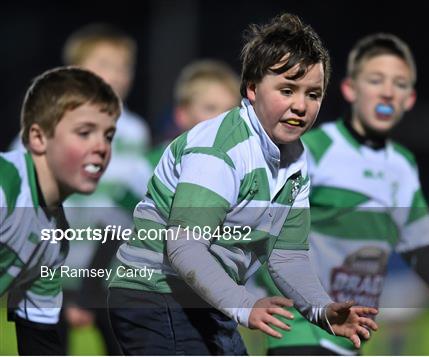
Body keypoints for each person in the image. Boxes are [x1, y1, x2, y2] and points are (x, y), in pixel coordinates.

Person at [108, 13, 378, 355]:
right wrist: (244, 303)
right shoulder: (222, 149)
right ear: (251, 88)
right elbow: (184, 247)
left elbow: (286, 255)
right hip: (154, 292)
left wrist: (321, 310)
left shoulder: (294, 158)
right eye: (287, 89)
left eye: (313, 94)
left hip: (205, 296)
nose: (301, 105)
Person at [258, 33, 429, 355]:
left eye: (399, 83)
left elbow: (417, 236)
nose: (387, 90)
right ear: (350, 89)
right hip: (302, 332)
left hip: (350, 337)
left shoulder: (402, 165)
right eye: (376, 79)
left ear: (409, 99)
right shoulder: (316, 149)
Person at [0, 66, 120, 355]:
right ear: (39, 138)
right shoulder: (6, 189)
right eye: (84, 132)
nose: (101, 146)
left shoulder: (54, 237)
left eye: (108, 135)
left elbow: (39, 344)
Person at [59, 23, 152, 356]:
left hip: (108, 270)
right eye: (104, 64)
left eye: (124, 66)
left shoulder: (134, 131)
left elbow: (129, 205)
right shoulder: (48, 122)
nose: (116, 74)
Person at [147, 59, 241, 167]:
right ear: (182, 115)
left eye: (231, 110)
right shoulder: (149, 168)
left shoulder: (246, 167)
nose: (224, 118)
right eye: (210, 108)